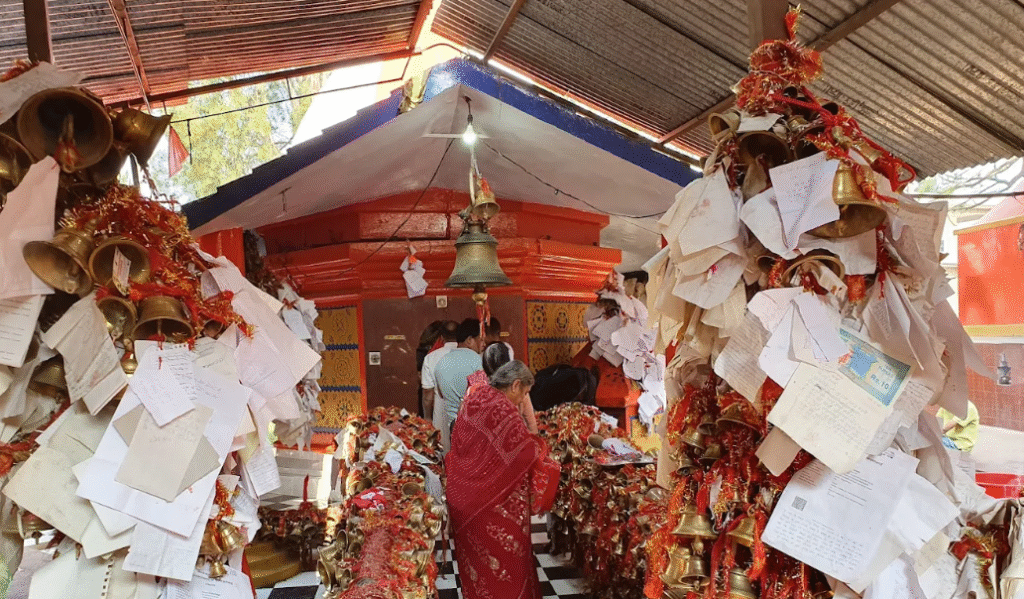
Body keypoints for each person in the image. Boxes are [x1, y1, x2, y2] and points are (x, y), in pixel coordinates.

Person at [446, 361, 554, 599]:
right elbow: (524, 454)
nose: (522, 400)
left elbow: (460, 445)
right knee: (505, 568)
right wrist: (544, 452)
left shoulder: (474, 398)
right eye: (524, 393)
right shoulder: (503, 409)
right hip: (491, 505)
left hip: (462, 499)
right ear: (515, 385)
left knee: (477, 569)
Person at [434, 318, 485, 448]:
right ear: (469, 340)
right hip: (475, 429)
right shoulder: (477, 360)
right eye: (480, 340)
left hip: (452, 428)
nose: (483, 344)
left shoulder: (441, 363)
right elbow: (482, 395)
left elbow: (441, 393)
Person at [421, 320, 458, 428]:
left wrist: (427, 417)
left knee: (442, 438)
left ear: (441, 337)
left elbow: (428, 394)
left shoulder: (430, 358)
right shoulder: (471, 356)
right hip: (464, 417)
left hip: (441, 416)